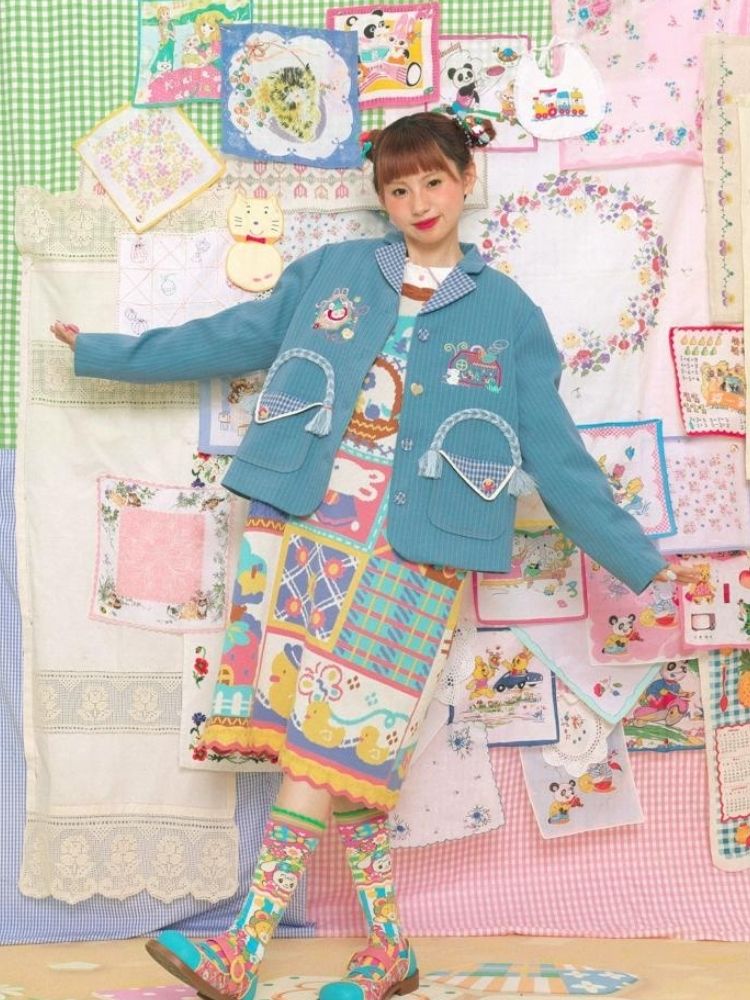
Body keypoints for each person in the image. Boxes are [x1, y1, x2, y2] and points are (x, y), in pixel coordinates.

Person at [51, 109, 695, 1000]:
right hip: (302, 524)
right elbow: (235, 336)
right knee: (339, 747)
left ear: (466, 181)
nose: (418, 200)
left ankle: (241, 946)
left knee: (341, 728)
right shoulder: (335, 272)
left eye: (434, 180)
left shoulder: (509, 314)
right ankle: (389, 948)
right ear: (381, 197)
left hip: (417, 553)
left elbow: (556, 457)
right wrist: (107, 353)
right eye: (399, 187)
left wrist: (644, 561)